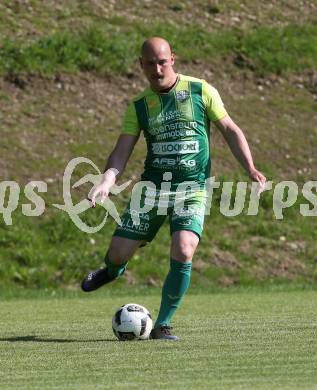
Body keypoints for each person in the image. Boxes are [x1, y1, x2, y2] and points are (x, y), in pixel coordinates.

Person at [81, 37, 266, 340]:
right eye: (150, 63)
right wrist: (106, 180)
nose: (157, 68)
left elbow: (230, 129)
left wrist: (250, 168)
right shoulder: (140, 106)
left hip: (192, 188)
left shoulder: (200, 90)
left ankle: (163, 324)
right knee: (116, 254)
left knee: (183, 249)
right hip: (152, 190)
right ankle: (112, 272)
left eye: (162, 61)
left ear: (173, 60)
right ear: (140, 65)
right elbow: (121, 150)